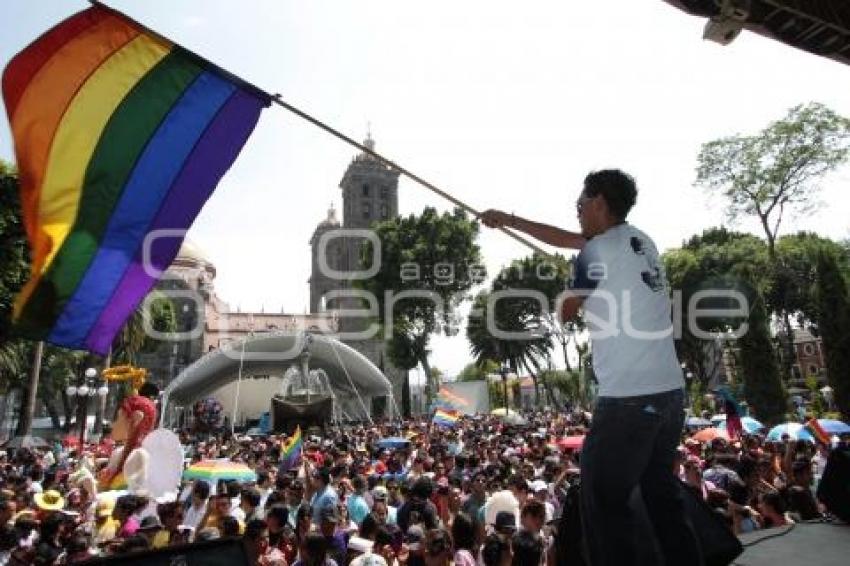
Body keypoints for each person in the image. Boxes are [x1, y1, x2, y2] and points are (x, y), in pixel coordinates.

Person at [480, 169, 702, 566]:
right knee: (659, 495)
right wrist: (509, 221)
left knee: (603, 504)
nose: (578, 211)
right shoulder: (640, 241)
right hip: (670, 393)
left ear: (599, 202)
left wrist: (570, 282)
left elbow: (565, 312)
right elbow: (567, 239)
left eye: (581, 205)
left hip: (629, 402)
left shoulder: (596, 253)